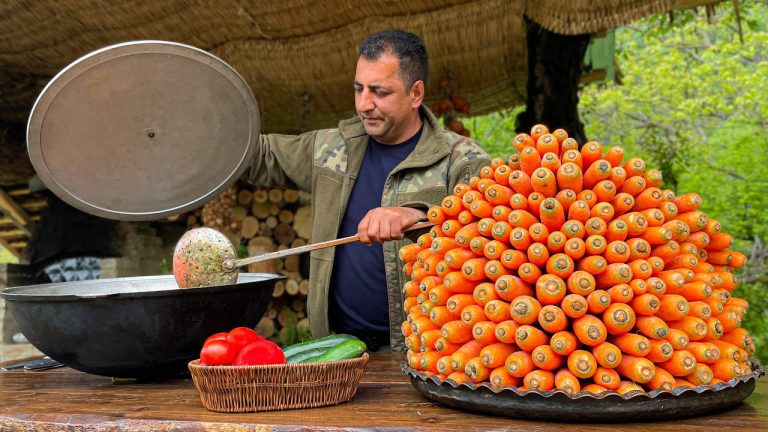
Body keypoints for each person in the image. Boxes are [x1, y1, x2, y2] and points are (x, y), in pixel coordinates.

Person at [248, 29, 489, 351]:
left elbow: (490, 240)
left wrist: (418, 214)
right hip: (335, 348)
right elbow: (257, 156)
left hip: (428, 351)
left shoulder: (461, 159)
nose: (364, 104)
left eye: (379, 92)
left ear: (415, 94)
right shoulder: (330, 147)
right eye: (359, 89)